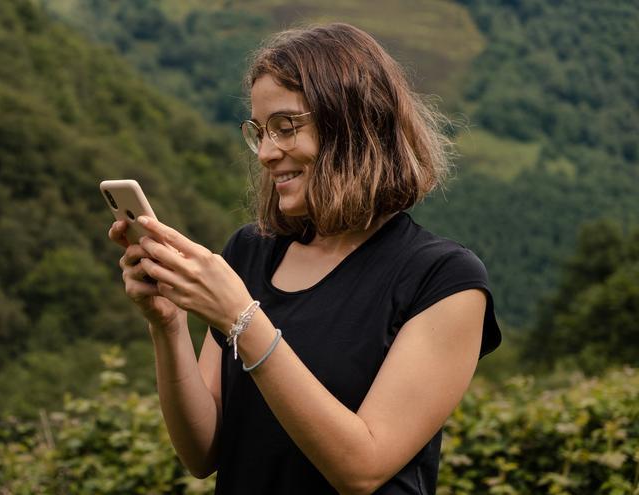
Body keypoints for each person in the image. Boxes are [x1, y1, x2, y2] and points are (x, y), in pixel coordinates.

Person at [108, 23, 500, 495]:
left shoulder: (442, 280)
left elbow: (362, 469)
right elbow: (202, 452)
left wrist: (243, 319)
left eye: (286, 127)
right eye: (259, 132)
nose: (268, 154)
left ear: (352, 125)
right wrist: (167, 325)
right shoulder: (249, 253)